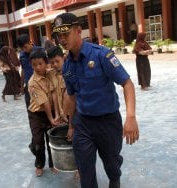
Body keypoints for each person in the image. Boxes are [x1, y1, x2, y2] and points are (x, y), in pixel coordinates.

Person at [53, 13, 139, 188]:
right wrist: (70, 125)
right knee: (85, 169)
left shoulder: (101, 56)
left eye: (65, 34)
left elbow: (127, 83)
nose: (61, 39)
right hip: (83, 123)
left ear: (78, 31)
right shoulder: (67, 65)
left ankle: (115, 179)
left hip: (108, 122)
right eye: (58, 36)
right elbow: (72, 97)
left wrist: (130, 117)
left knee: (112, 164)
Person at [27, 49, 58, 177]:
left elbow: (56, 94)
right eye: (34, 65)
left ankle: (53, 164)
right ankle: (39, 164)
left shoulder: (51, 73)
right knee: (38, 141)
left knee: (51, 139)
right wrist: (52, 119)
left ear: (46, 63)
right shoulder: (32, 83)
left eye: (40, 63)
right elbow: (44, 102)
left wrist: (57, 114)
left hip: (50, 111)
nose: (38, 67)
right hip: (37, 114)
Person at [16, 34, 43, 109]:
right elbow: (23, 70)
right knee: (30, 108)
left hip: (41, 85)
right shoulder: (22, 55)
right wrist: (21, 86)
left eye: (25, 47)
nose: (24, 50)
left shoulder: (40, 50)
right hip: (29, 86)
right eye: (22, 48)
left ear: (30, 42)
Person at [47, 46, 68, 123]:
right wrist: (57, 114)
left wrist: (64, 113)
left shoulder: (69, 72)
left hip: (71, 112)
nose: (55, 64)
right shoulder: (50, 74)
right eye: (52, 62)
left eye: (57, 61)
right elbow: (54, 93)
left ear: (63, 58)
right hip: (60, 113)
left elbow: (69, 93)